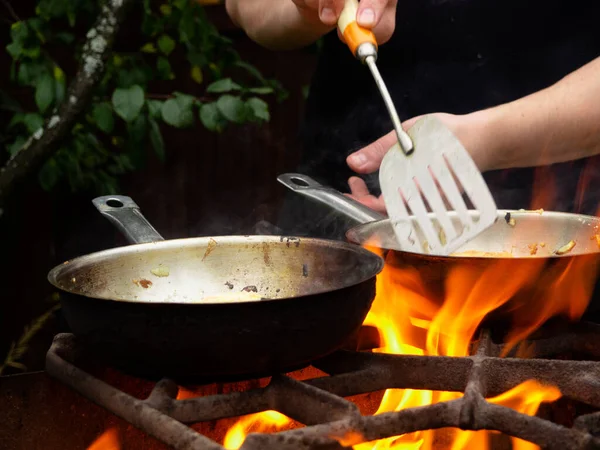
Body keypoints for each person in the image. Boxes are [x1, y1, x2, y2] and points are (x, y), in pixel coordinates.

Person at [225, 0, 600, 239]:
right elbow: (247, 6)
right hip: (346, 208)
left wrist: (482, 142)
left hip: (564, 223)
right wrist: (309, 8)